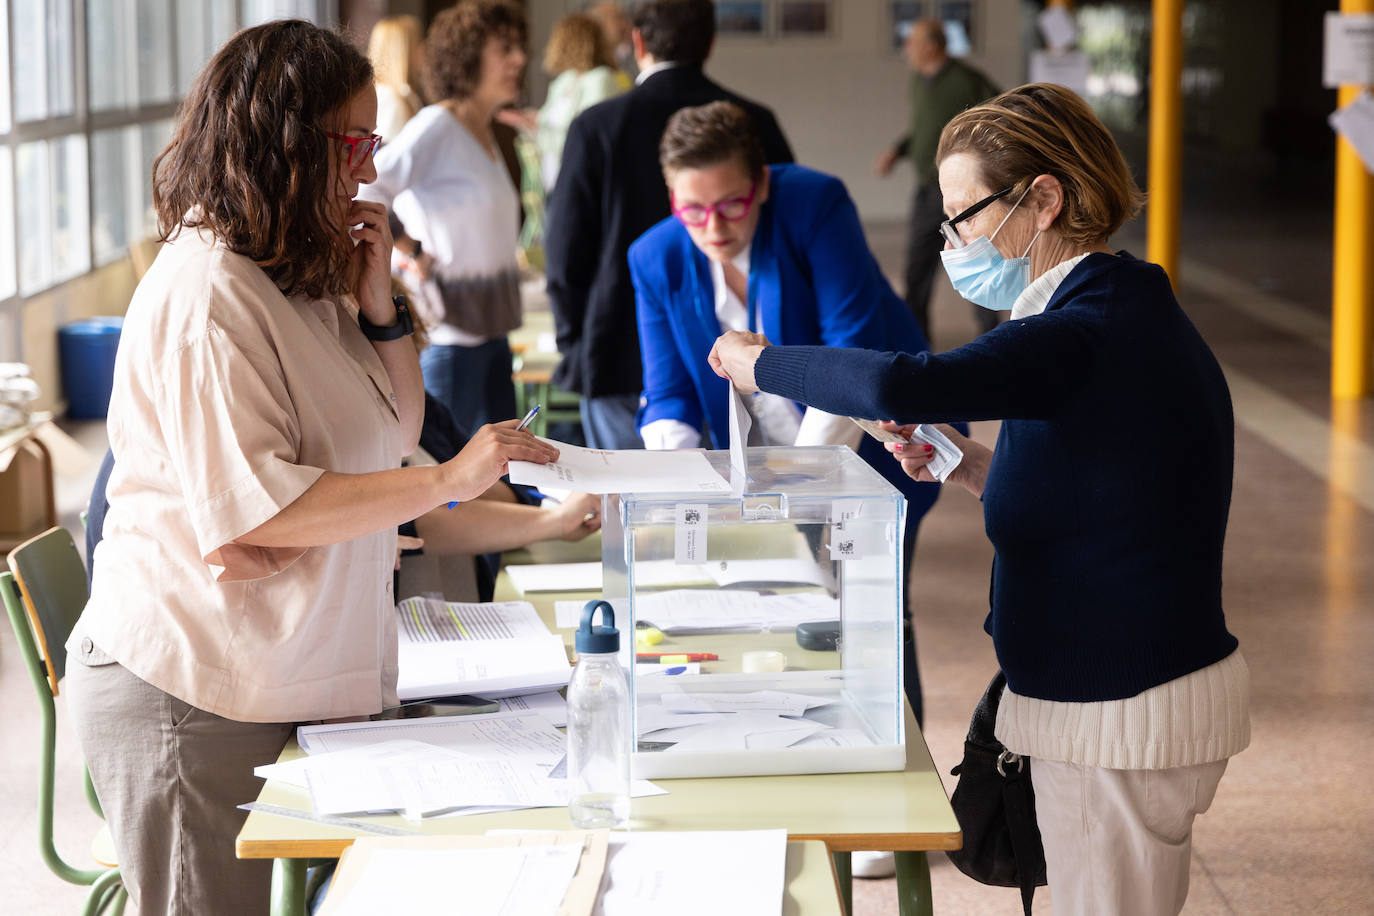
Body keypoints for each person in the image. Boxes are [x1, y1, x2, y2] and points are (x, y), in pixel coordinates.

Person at [711, 83, 1251, 915]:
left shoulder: (1086, 328)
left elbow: (901, 377)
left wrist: (763, 364)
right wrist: (967, 465)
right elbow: (1111, 489)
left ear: (1043, 199)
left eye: (965, 216)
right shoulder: (1106, 311)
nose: (955, 240)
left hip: (1125, 706)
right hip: (1114, 692)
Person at [63, 21, 558, 914]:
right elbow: (260, 511)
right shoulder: (207, 293)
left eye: (373, 143)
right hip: (196, 691)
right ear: (282, 144)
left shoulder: (297, 266)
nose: (369, 172)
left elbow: (394, 428)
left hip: (282, 673)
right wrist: (451, 479)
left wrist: (379, 311)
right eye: (355, 146)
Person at [630, 101, 944, 729]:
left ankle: (899, 758)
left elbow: (850, 356)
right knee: (776, 618)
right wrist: (679, 489)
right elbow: (668, 396)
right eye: (692, 210)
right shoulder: (655, 256)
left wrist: (803, 488)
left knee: (872, 614)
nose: (712, 227)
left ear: (762, 183)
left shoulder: (814, 205)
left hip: (876, 446)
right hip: (762, 466)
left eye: (731, 205)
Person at [544, 0, 794, 450]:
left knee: (629, 506)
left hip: (615, 346)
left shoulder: (596, 127)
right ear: (711, 43)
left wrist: (575, 345)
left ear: (637, 42)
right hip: (739, 353)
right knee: (748, 504)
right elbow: (787, 238)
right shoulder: (755, 122)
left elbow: (564, 249)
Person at [359, 0, 529, 434]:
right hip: (451, 338)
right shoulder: (437, 125)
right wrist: (411, 248)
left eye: (518, 48)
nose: (519, 60)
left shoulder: (486, 131)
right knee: (447, 478)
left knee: (508, 470)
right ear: (469, 55)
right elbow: (371, 185)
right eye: (504, 49)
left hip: (491, 331)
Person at [874, 19, 998, 341]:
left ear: (932, 46)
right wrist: (898, 151)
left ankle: (993, 340)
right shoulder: (918, 80)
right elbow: (924, 129)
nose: (907, 49)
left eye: (912, 42)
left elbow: (998, 115)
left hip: (966, 193)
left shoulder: (966, 80)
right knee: (916, 272)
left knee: (977, 265)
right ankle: (917, 344)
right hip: (928, 191)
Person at [367, 14, 427, 143]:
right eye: (419, 43)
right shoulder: (391, 101)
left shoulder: (404, 96)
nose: (424, 50)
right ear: (404, 52)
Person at [585, 1, 637, 85]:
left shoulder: (631, 53)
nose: (624, 24)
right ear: (600, 24)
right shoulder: (589, 62)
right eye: (617, 18)